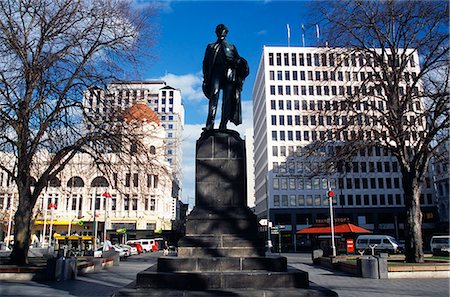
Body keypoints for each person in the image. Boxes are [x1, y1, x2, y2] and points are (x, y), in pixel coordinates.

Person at [202, 24, 249, 130]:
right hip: (216, 73)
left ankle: (223, 124)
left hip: (229, 74)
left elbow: (238, 61)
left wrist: (238, 62)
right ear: (217, 32)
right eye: (219, 30)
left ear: (226, 33)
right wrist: (205, 77)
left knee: (227, 100)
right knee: (214, 97)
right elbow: (205, 62)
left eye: (223, 30)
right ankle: (210, 124)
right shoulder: (211, 46)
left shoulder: (231, 47)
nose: (221, 32)